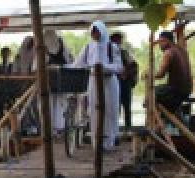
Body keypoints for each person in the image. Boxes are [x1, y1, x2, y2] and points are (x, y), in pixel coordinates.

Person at [71, 20, 122, 151]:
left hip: (109, 83)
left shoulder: (112, 47)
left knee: (110, 112)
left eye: (97, 32)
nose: (94, 34)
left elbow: (118, 67)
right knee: (94, 111)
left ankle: (109, 143)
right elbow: (77, 64)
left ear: (102, 31)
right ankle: (97, 143)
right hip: (93, 83)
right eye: (92, 32)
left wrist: (103, 67)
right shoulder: (88, 47)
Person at [152, 30, 192, 119]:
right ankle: (170, 119)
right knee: (160, 94)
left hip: (175, 91)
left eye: (161, 42)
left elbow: (160, 74)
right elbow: (180, 37)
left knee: (151, 94)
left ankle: (157, 124)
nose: (160, 44)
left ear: (168, 41)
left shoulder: (168, 53)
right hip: (187, 90)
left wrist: (148, 75)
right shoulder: (182, 50)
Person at [43, 29, 72, 139]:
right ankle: (57, 128)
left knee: (53, 104)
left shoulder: (46, 48)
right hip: (59, 79)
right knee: (59, 104)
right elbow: (68, 61)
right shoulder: (62, 46)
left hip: (53, 79)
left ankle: (55, 129)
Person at [109, 31, 138, 129]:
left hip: (125, 83)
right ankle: (115, 130)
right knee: (116, 108)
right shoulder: (108, 54)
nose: (118, 43)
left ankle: (128, 129)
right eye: (116, 41)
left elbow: (134, 65)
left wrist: (126, 74)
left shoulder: (124, 52)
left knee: (126, 107)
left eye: (119, 41)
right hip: (114, 84)